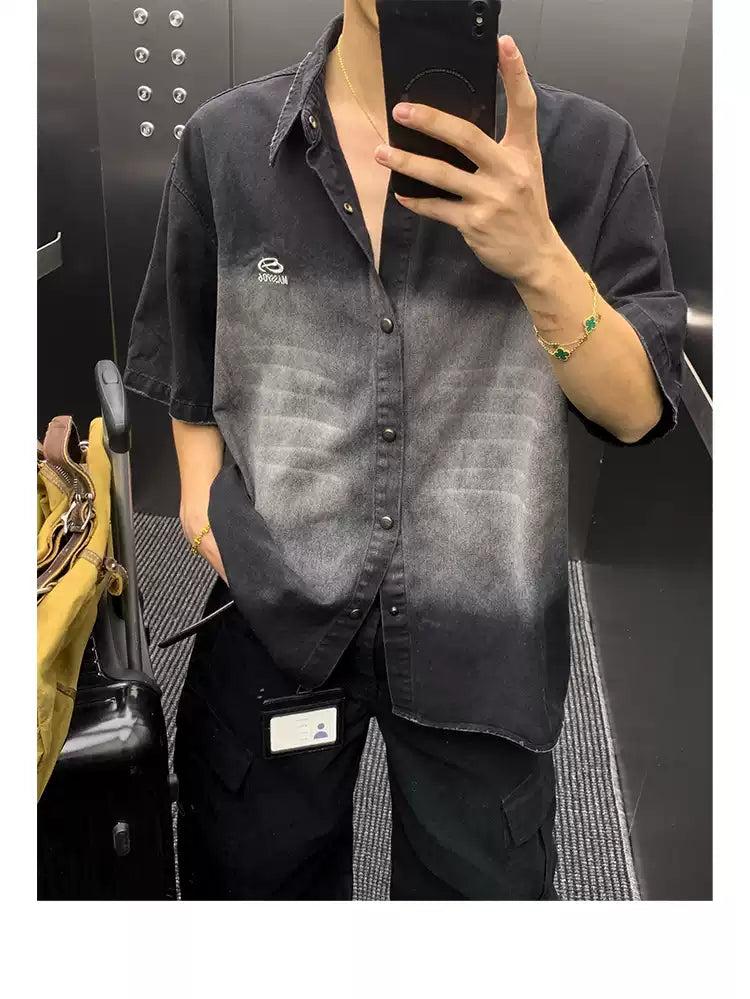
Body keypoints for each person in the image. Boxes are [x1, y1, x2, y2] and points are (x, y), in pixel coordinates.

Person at [124, 2, 686, 900]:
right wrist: (198, 508)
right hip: (275, 604)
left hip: (484, 635)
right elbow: (185, 358)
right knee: (257, 894)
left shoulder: (590, 156)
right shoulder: (227, 146)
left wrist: (541, 260)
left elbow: (637, 411)